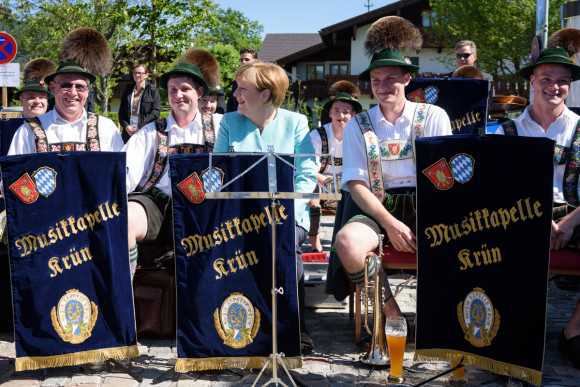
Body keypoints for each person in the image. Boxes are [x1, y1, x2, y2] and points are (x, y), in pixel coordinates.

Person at [328, 16, 452, 321]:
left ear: (407, 79)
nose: (382, 86)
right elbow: (356, 184)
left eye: (391, 78)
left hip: (429, 206)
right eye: (376, 79)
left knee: (466, 238)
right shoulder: (359, 123)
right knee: (347, 242)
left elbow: (445, 180)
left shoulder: (434, 115)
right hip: (379, 206)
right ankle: (393, 317)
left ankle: (445, 319)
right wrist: (391, 223)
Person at [214, 62, 317, 355]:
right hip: (241, 214)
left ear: (265, 94)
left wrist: (286, 205)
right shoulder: (229, 123)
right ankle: (243, 323)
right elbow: (219, 170)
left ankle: (295, 326)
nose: (235, 95)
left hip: (288, 213)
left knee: (286, 251)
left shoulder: (295, 122)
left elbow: (307, 172)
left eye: (242, 89)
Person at [495, 47, 580, 368]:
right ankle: (512, 327)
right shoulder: (508, 131)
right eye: (546, 78)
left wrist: (570, 222)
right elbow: (501, 190)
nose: (554, 86)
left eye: (563, 81)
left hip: (574, 214)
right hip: (522, 214)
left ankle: (573, 330)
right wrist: (537, 218)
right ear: (532, 81)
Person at [124, 49, 220, 277]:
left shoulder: (220, 126)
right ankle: (124, 300)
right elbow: (125, 174)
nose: (178, 95)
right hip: (157, 204)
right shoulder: (150, 132)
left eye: (185, 89)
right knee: (123, 219)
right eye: (172, 90)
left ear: (199, 92)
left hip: (204, 206)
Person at [8, 29, 123, 155]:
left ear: (87, 90)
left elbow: (119, 172)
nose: (73, 93)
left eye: (79, 86)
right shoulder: (28, 131)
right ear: (52, 87)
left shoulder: (106, 128)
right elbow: (16, 174)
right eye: (66, 85)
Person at [307, 81, 362, 252]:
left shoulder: (358, 136)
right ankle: (315, 243)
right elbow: (309, 169)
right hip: (321, 183)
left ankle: (346, 243)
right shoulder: (318, 135)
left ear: (352, 115)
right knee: (312, 194)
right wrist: (327, 182)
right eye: (337, 111)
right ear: (330, 113)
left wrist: (341, 184)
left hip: (346, 184)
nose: (341, 115)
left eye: (346, 112)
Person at [118, 63, 161, 143]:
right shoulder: (128, 89)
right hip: (129, 133)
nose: (136, 75)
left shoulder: (153, 90)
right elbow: (121, 112)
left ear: (146, 75)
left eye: (139, 73)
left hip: (145, 131)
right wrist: (126, 126)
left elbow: (156, 112)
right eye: (135, 73)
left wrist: (141, 126)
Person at [226, 47, 258, 113]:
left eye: (247, 59)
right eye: (241, 60)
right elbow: (231, 102)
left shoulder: (260, 80)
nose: (243, 62)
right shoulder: (237, 81)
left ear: (255, 61)